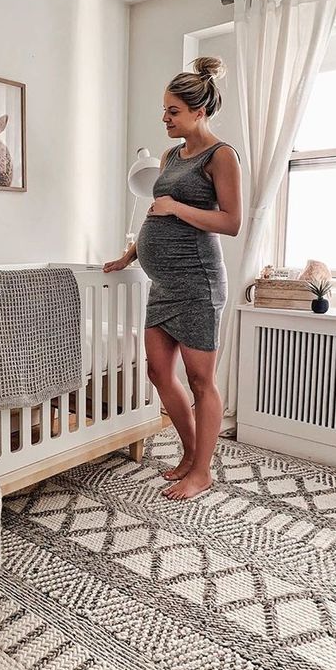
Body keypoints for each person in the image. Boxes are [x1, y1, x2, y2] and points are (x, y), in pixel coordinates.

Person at [104, 57, 242, 500]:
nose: (164, 118)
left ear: (199, 112)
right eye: (164, 110)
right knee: (158, 371)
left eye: (173, 111)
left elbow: (231, 222)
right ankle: (187, 454)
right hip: (163, 286)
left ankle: (202, 471)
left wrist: (177, 208)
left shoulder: (222, 156)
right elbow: (155, 216)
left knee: (203, 382)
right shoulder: (169, 155)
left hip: (198, 284)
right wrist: (132, 252)